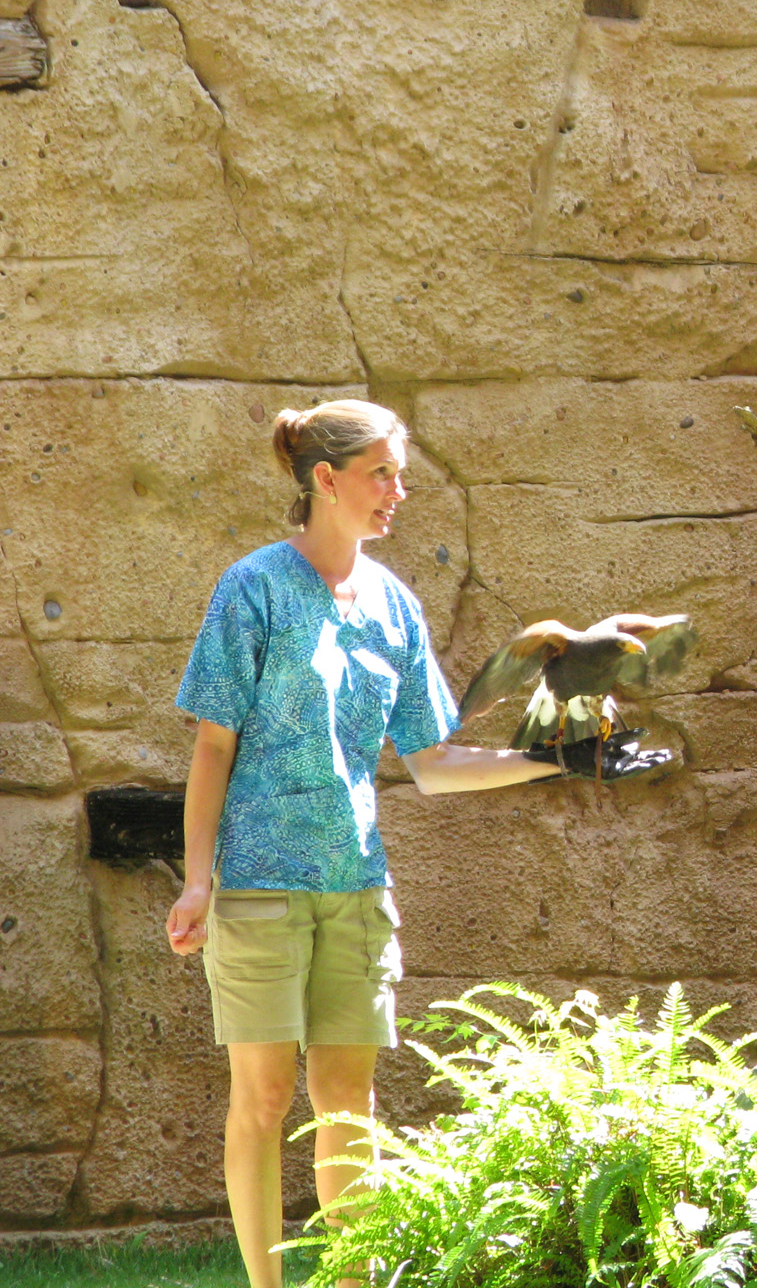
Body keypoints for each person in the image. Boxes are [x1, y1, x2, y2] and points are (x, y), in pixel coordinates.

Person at [162, 400, 652, 1288]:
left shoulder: (394, 603)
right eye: (383, 473)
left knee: (349, 1103)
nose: (399, 491)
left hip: (358, 887)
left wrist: (553, 764)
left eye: (402, 473)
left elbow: (431, 760)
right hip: (259, 888)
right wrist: (199, 882)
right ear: (326, 480)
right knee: (265, 1099)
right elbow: (212, 746)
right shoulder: (253, 589)